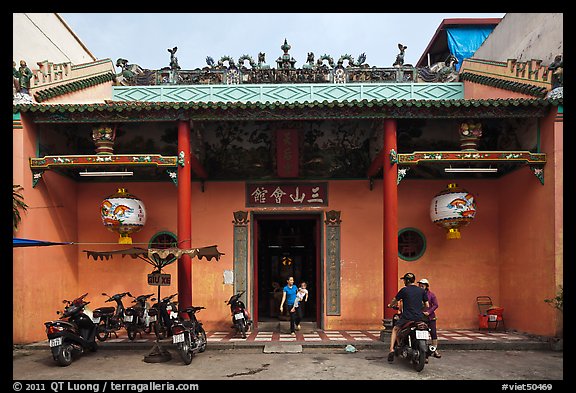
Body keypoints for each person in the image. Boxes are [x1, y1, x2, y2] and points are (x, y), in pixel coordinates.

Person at [387, 272, 429, 362]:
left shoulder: (404, 290)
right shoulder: (421, 291)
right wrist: (420, 310)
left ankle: (391, 349)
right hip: (419, 317)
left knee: (395, 329)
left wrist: (390, 305)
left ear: (407, 281)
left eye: (404, 280)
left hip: (407, 317)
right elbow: (427, 305)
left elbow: (395, 300)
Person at [418, 278, 441, 358]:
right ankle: (423, 351)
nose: (421, 287)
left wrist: (429, 312)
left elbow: (435, 305)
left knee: (433, 333)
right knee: (421, 334)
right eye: (420, 285)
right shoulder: (417, 294)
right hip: (420, 316)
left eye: (422, 285)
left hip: (430, 317)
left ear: (426, 286)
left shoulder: (431, 295)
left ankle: (434, 349)